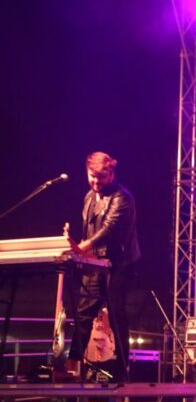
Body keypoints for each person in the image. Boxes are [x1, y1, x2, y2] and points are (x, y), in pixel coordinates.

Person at [65, 151, 141, 382]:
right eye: (92, 176)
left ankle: (122, 370)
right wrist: (76, 249)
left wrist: (82, 247)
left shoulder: (121, 197)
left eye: (101, 177)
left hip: (118, 263)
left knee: (116, 314)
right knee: (82, 314)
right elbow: (88, 230)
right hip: (94, 263)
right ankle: (71, 367)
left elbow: (108, 229)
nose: (96, 181)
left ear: (111, 174)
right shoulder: (89, 197)